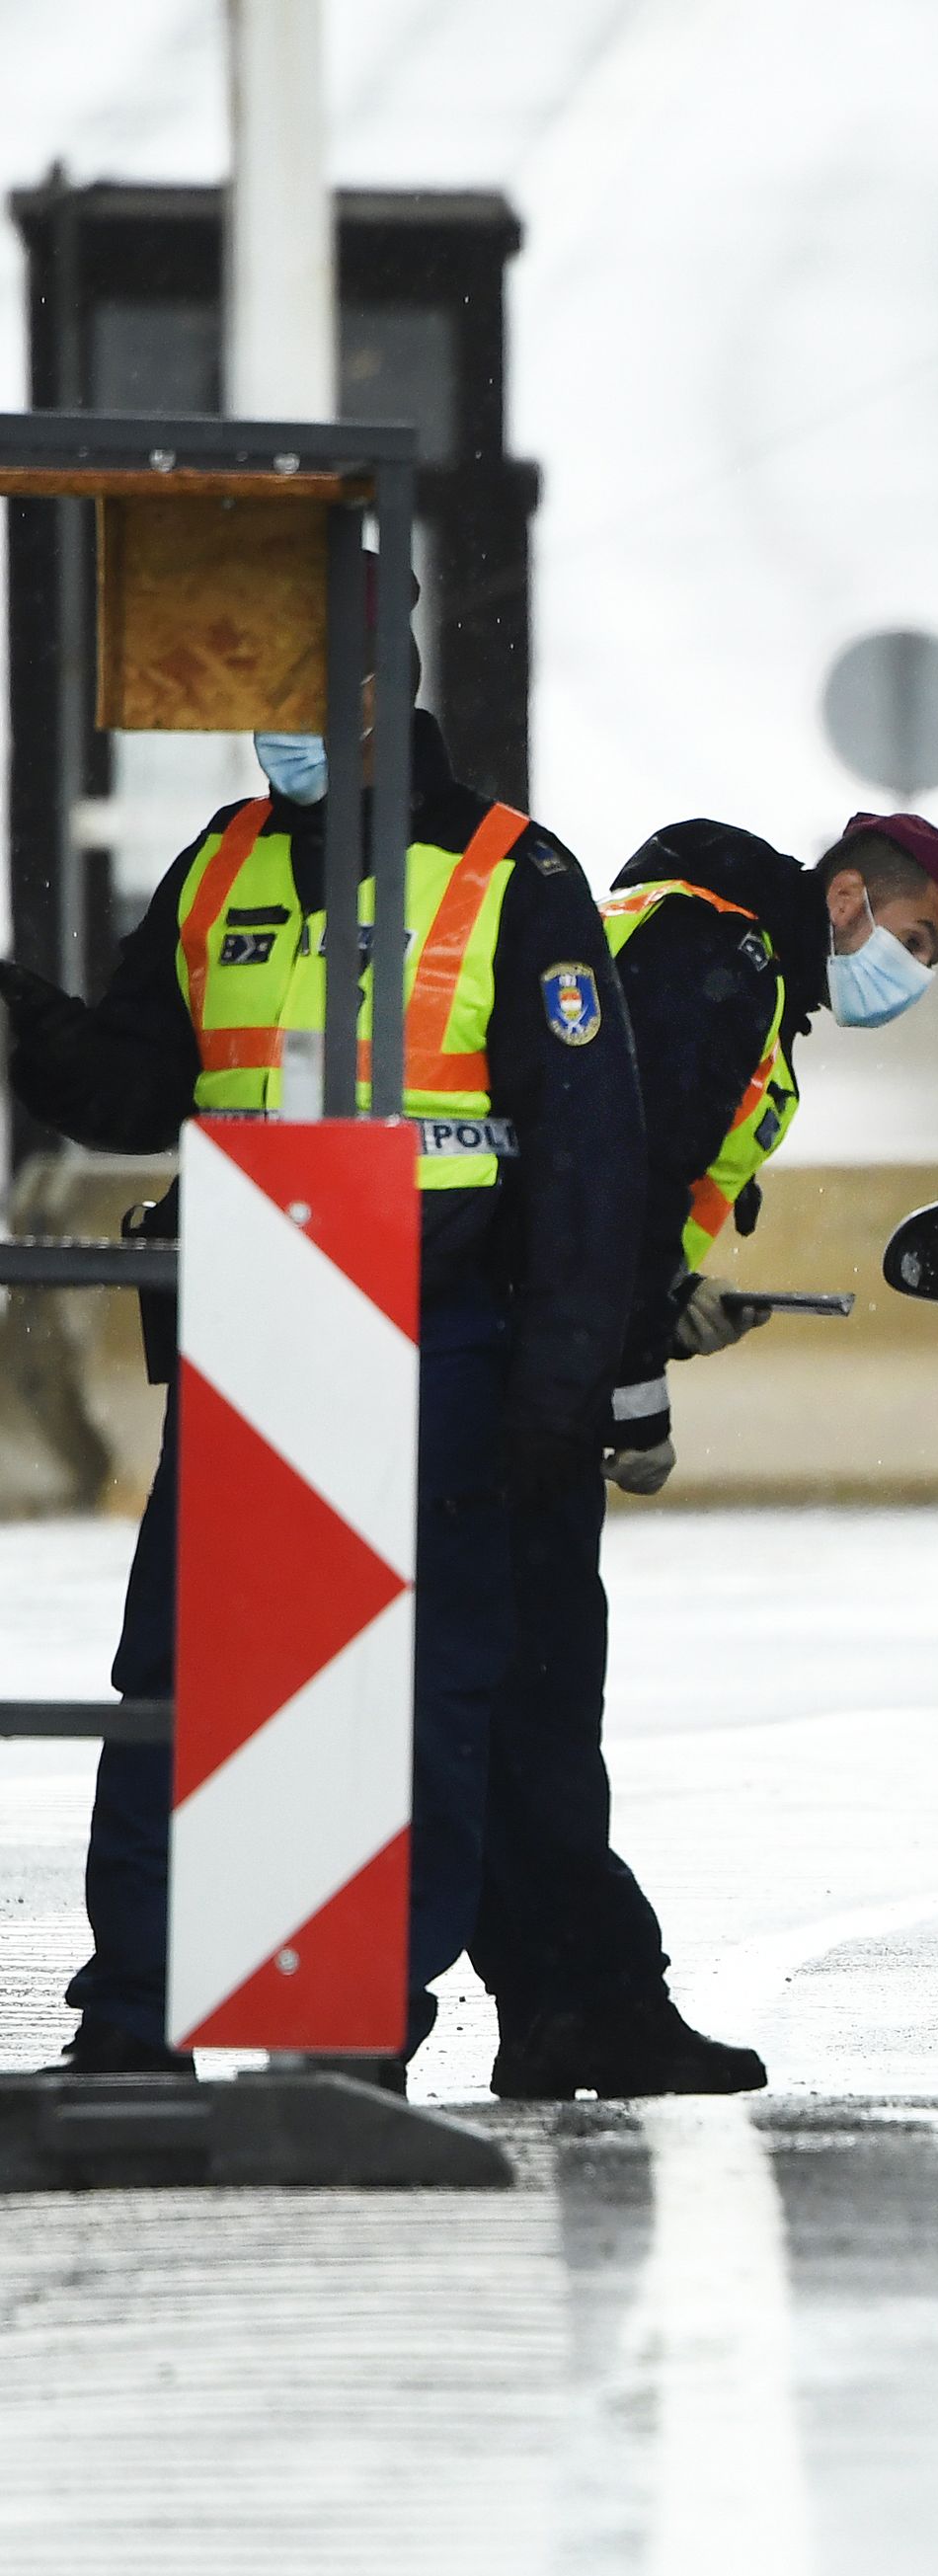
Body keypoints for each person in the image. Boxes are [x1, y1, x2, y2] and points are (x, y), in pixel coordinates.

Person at [0, 686, 640, 2080]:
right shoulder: (222, 860)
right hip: (255, 1332)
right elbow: (134, 1085)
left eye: (286, 692)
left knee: (414, 1700)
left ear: (371, 687)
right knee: (178, 1686)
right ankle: (134, 2024)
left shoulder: (508, 875)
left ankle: (356, 2036)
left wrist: (561, 1384)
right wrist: (22, 1016)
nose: (261, 728)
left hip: (442, 1343)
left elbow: (592, 1157)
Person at [467, 811, 938, 2099]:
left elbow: (599, 1180)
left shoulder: (679, 934)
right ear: (847, 902)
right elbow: (622, 1182)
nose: (911, 975)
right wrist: (633, 1393)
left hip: (502, 1344)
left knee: (510, 1703)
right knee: (534, 1700)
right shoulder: (726, 964)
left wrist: (667, 1303)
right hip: (523, 1373)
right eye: (915, 938)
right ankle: (592, 2000)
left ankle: (557, 2004)